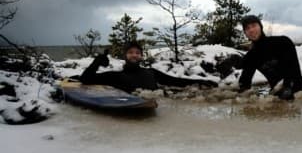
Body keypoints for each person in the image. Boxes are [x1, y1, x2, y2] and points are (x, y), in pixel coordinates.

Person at [80, 41, 217, 93]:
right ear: (125, 56)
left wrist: (201, 81)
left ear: (141, 56)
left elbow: (175, 81)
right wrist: (97, 61)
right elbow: (85, 79)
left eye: (137, 53)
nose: (134, 55)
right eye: (130, 53)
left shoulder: (151, 73)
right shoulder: (115, 76)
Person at [239, 15, 302, 101]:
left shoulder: (282, 42)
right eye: (247, 28)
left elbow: (293, 69)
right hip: (276, 97)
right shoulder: (251, 56)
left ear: (260, 26)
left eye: (253, 26)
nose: (251, 30)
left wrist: (287, 86)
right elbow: (244, 83)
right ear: (245, 33)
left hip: (300, 93)